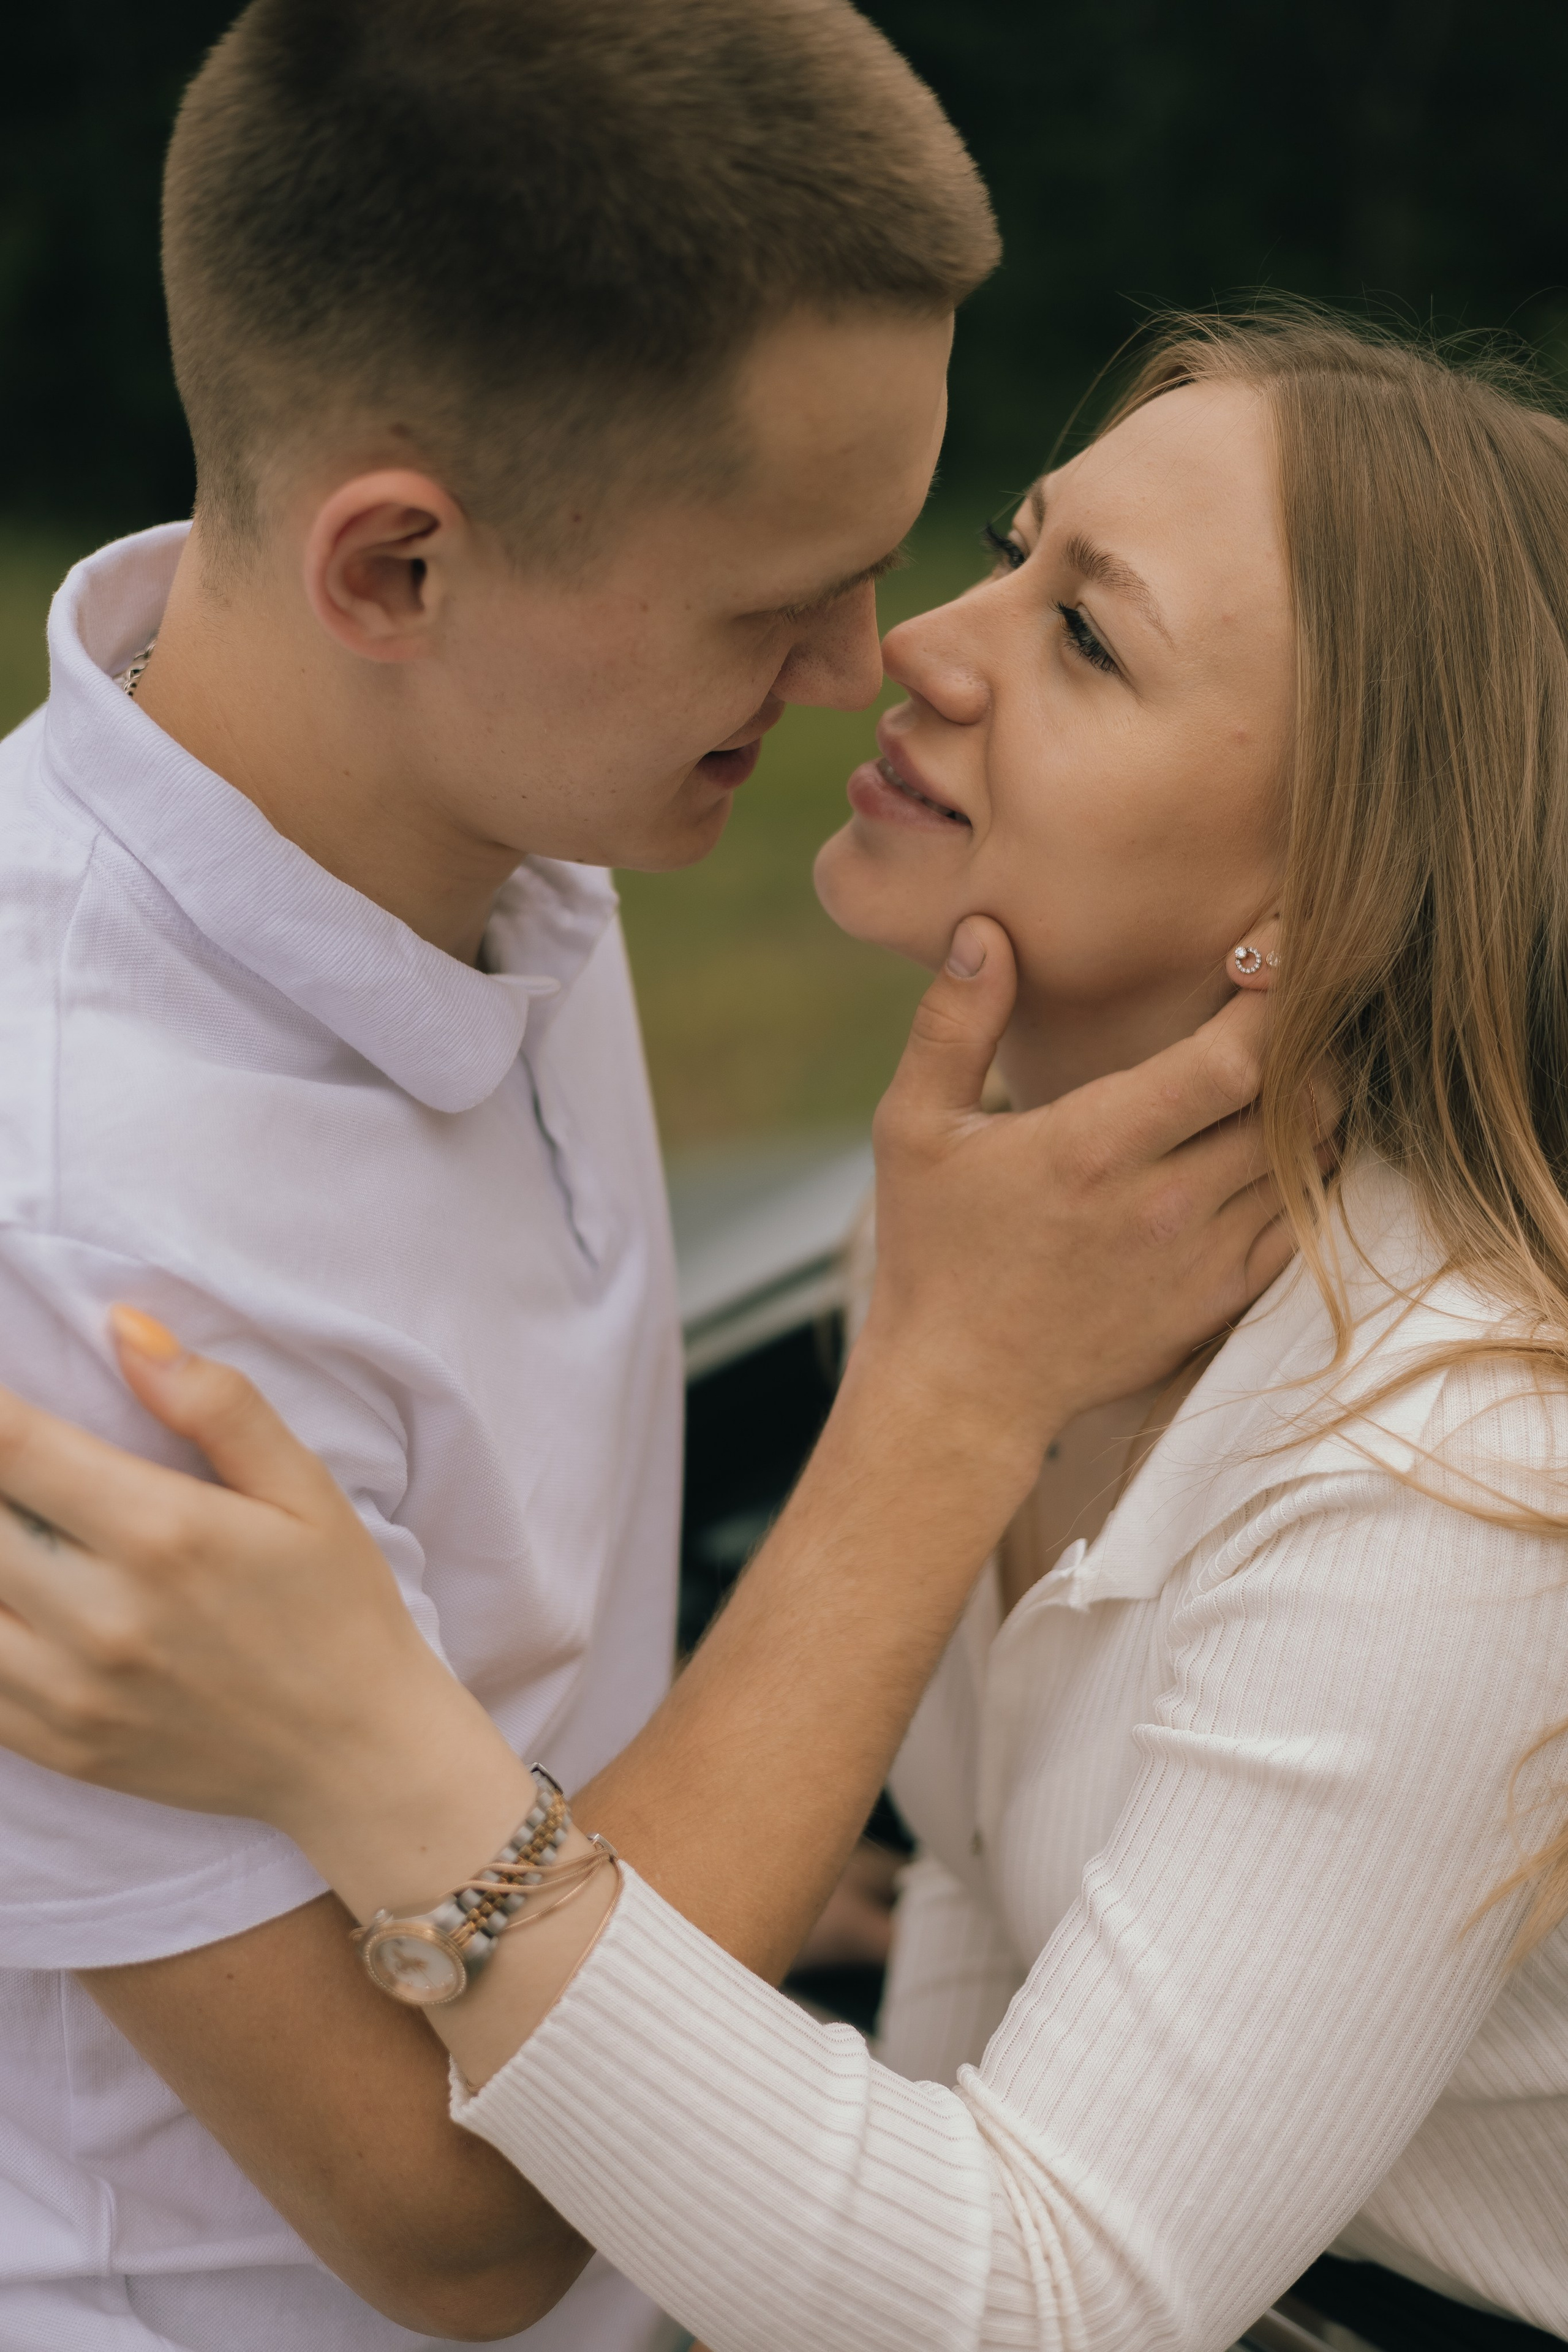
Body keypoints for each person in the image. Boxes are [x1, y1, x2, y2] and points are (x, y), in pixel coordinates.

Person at [2, 308, 1566, 2352]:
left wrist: (364, 1742)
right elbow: (983, 1951)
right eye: (1016, 547)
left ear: (1346, 884)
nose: (923, 642)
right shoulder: (991, 1233)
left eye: (1087, 637)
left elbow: (1040, 2303)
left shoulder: (1455, 1477)